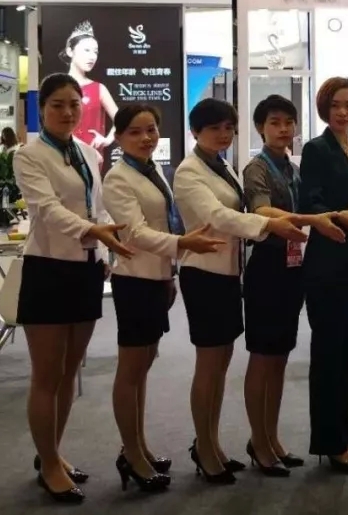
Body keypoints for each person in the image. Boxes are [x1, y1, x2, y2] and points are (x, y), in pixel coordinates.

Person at [12, 73, 136, 503]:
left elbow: (96, 206)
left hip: (85, 269)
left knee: (69, 371)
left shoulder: (86, 152)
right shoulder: (28, 155)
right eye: (57, 105)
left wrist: (103, 249)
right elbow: (46, 210)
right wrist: (94, 232)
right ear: (42, 109)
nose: (67, 112)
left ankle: (53, 452)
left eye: (73, 104)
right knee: (47, 374)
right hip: (47, 268)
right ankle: (48, 464)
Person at [173, 98, 306, 485]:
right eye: (214, 128)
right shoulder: (190, 171)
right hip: (204, 274)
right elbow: (218, 216)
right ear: (195, 131)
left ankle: (219, 445)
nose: (223, 134)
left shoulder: (223, 166)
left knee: (223, 365)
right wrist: (271, 225)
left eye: (228, 127)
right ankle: (206, 448)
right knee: (210, 366)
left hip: (231, 273)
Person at [103, 104, 225, 492]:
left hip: (156, 278)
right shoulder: (117, 178)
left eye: (151, 130)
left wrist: (170, 272)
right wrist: (182, 244)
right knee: (131, 370)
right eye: (136, 132)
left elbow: (161, 221)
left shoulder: (152, 170)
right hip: (134, 280)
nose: (146, 138)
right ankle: (131, 453)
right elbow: (134, 233)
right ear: (119, 137)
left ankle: (139, 446)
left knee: (143, 366)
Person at [240, 95, 348, 476]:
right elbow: (261, 210)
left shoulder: (293, 167)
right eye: (274, 122)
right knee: (262, 357)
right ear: (260, 127)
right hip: (267, 268)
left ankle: (271, 439)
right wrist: (310, 220)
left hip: (293, 268)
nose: (283, 129)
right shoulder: (257, 168)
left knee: (280, 358)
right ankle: (258, 440)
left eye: (288, 122)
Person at [298, 77, 348, 474]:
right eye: (335, 105)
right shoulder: (316, 149)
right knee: (329, 355)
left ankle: (343, 438)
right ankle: (330, 442)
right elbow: (310, 202)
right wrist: (339, 217)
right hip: (328, 261)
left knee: (347, 354)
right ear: (324, 109)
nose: (343, 112)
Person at [62, 20, 118, 151]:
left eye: (95, 52)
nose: (92, 56)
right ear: (70, 51)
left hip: (93, 155)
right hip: (63, 153)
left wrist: (107, 140)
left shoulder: (99, 89)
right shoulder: (58, 87)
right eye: (86, 50)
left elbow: (121, 119)